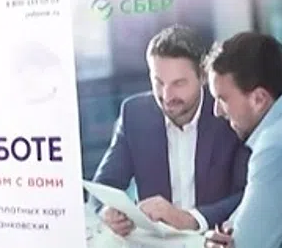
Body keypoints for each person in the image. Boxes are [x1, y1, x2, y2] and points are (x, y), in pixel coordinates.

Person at [93, 25, 249, 236]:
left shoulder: (228, 114)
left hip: (216, 241)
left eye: (179, 83)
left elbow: (248, 194)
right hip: (156, 244)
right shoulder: (134, 114)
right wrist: (108, 211)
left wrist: (190, 219)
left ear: (203, 76)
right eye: (158, 82)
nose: (166, 96)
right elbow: (104, 185)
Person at [203, 31, 282, 248]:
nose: (217, 111)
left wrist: (223, 247)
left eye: (222, 99)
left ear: (259, 99)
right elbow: (233, 227)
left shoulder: (278, 147)